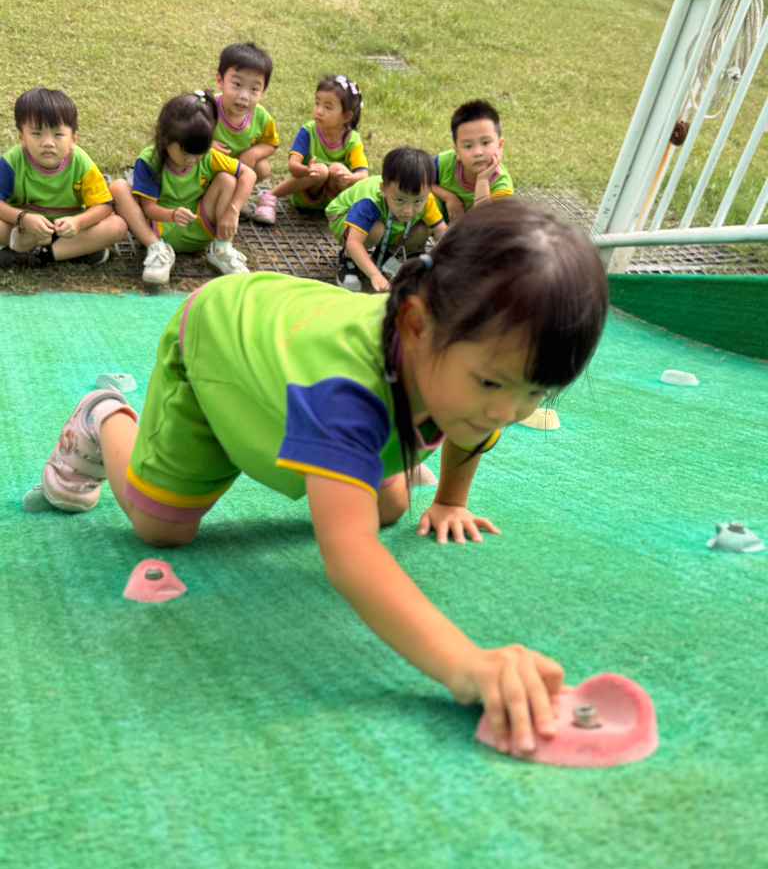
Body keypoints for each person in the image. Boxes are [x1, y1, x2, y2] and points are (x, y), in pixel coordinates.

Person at [32, 198, 608, 756]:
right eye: (491, 384)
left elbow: (476, 426)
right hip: (219, 341)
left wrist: (451, 501)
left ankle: (350, 456)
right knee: (161, 528)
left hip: (290, 335)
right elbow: (349, 554)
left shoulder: (466, 361)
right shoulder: (347, 394)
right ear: (415, 325)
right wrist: (466, 664)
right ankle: (102, 416)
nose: (507, 410)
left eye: (535, 391)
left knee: (390, 505)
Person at [109, 91, 256, 285]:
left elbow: (249, 174)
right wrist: (172, 214)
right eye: (186, 153)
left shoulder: (209, 157)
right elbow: (148, 208)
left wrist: (233, 211)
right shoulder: (150, 160)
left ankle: (221, 250)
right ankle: (157, 251)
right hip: (159, 227)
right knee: (118, 187)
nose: (193, 160)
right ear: (164, 137)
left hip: (200, 227)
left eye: (199, 153)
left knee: (227, 180)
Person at [0, 87, 126, 268]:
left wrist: (78, 222)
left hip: (68, 230)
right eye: (36, 133)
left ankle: (40, 254)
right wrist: (23, 218)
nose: (48, 143)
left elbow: (104, 206)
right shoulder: (11, 161)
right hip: (23, 228)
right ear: (22, 137)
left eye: (58, 134)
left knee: (117, 226)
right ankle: (77, 251)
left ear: (73, 138)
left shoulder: (82, 163)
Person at [326, 147, 446, 293]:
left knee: (423, 229)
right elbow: (354, 243)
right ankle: (348, 259)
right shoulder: (369, 202)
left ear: (428, 191)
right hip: (344, 216)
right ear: (383, 189)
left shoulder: (426, 199)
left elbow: (443, 234)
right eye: (400, 200)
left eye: (417, 201)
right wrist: (375, 275)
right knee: (376, 229)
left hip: (390, 221)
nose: (408, 210)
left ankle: (385, 256)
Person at [265, 73, 367, 212]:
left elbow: (363, 174)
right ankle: (269, 196)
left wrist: (350, 178)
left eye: (327, 107)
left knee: (337, 169)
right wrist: (307, 170)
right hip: (303, 194)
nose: (319, 111)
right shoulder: (308, 131)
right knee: (322, 171)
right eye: (317, 103)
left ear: (346, 116)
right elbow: (292, 166)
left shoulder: (352, 139)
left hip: (333, 200)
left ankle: (343, 208)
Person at [211, 42, 280, 226]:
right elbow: (185, 134)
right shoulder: (207, 109)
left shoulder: (261, 117)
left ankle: (233, 201)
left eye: (254, 89)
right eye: (237, 84)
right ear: (220, 80)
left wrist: (253, 153)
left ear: (263, 91)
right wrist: (206, 145)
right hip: (207, 171)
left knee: (262, 168)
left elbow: (271, 143)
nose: (244, 96)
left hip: (237, 170)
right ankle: (213, 203)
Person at [432, 100, 514, 222]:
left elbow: (481, 223)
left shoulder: (502, 187)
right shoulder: (443, 163)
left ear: (500, 145)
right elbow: (415, 181)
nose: (478, 152)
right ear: (457, 152)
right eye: (468, 146)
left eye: (485, 143)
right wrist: (450, 197)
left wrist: (482, 179)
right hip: (439, 226)